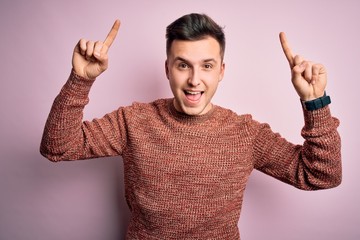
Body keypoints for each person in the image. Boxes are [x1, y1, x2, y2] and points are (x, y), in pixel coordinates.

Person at [40, 13, 342, 239]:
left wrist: (315, 102)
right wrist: (80, 80)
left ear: (221, 71)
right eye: (183, 65)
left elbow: (321, 176)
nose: (195, 80)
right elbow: (58, 146)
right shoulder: (133, 121)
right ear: (167, 69)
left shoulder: (246, 134)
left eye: (207, 66)